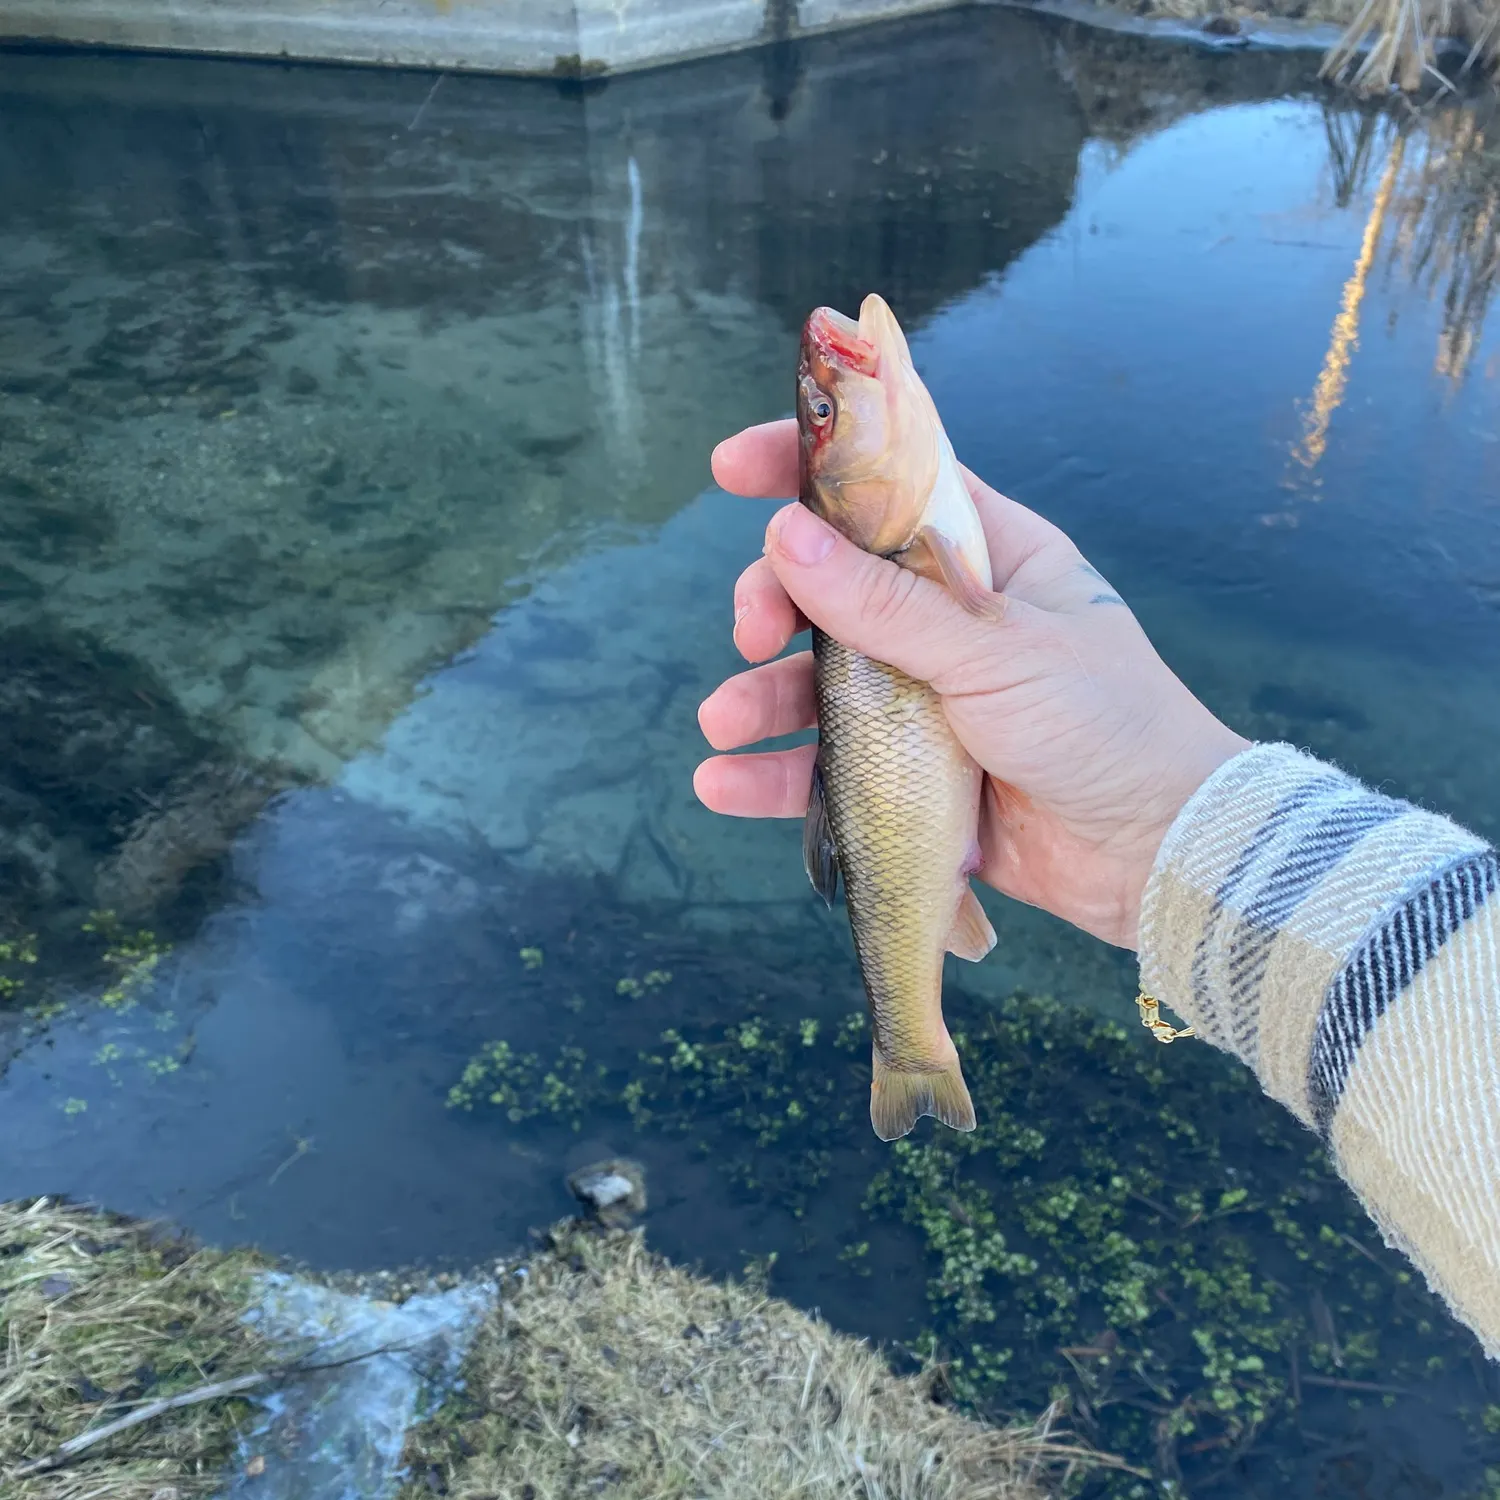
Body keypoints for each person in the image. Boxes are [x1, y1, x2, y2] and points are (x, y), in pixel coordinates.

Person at [694, 418, 1500, 1360]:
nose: (833, 404)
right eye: (829, 415)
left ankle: (911, 1048)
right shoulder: (917, 529)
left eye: (824, 416)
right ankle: (908, 1048)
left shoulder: (917, 528)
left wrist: (1164, 827)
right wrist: (1171, 833)